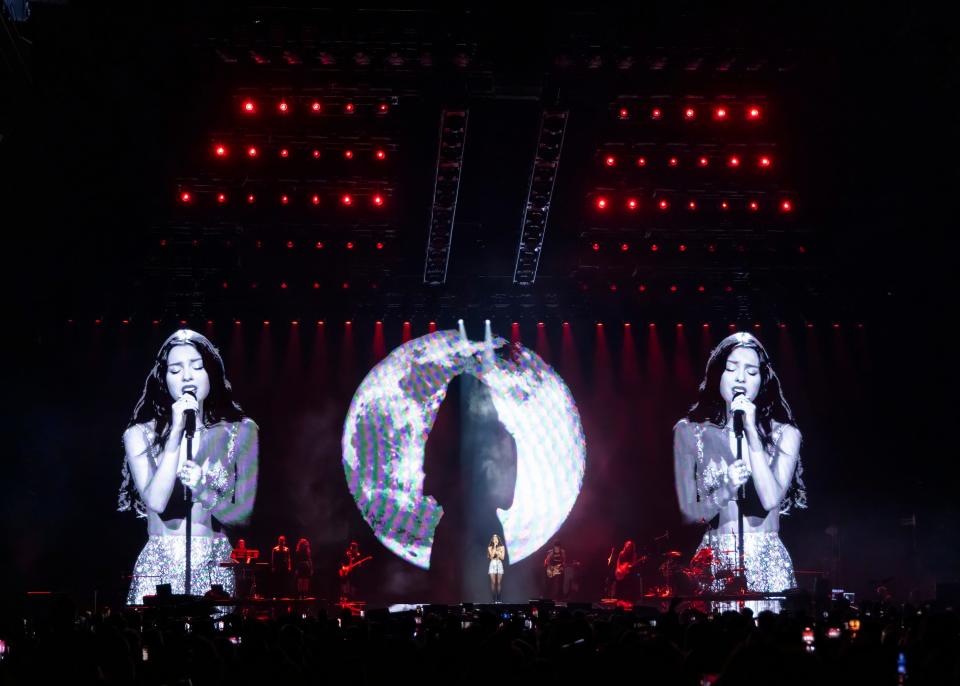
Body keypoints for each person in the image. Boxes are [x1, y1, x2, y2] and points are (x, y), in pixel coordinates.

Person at [119, 329, 259, 604]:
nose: (187, 376)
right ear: (164, 378)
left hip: (214, 564)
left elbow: (243, 516)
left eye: (197, 366)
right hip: (159, 563)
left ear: (211, 372)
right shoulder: (139, 434)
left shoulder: (242, 431)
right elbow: (157, 501)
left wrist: (203, 489)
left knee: (216, 644)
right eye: (175, 369)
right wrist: (176, 434)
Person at [673, 331, 807, 611]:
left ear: (763, 379)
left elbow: (771, 499)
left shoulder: (786, 434)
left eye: (751, 371)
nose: (740, 378)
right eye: (731, 368)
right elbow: (689, 514)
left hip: (766, 560)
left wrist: (750, 431)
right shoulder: (689, 432)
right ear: (717, 374)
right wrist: (725, 490)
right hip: (715, 559)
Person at [487, 534, 506, 603]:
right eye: (494, 538)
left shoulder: (502, 547)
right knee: (493, 582)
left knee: (498, 582)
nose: (495, 539)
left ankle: (498, 599)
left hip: (499, 563)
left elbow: (502, 558)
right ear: (492, 540)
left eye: (496, 538)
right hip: (492, 564)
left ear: (498, 539)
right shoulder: (490, 547)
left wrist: (498, 552)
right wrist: (494, 546)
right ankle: (493, 599)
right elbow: (491, 556)